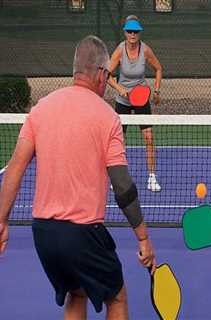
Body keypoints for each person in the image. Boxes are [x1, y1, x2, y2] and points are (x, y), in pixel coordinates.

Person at [0, 35, 156, 319]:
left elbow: (14, 169)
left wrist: (1, 220)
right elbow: (123, 187)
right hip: (82, 234)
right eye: (107, 74)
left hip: (43, 234)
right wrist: (143, 237)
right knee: (117, 297)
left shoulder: (41, 109)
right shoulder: (107, 118)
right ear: (100, 74)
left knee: (77, 292)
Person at [108, 15, 163, 192]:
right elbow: (107, 74)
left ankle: (152, 177)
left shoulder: (145, 50)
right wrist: (118, 88)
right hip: (122, 100)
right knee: (119, 141)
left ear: (139, 33)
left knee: (148, 138)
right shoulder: (119, 50)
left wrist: (156, 90)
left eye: (136, 31)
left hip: (141, 99)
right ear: (125, 32)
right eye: (129, 31)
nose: (132, 34)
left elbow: (158, 68)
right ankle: (118, 178)